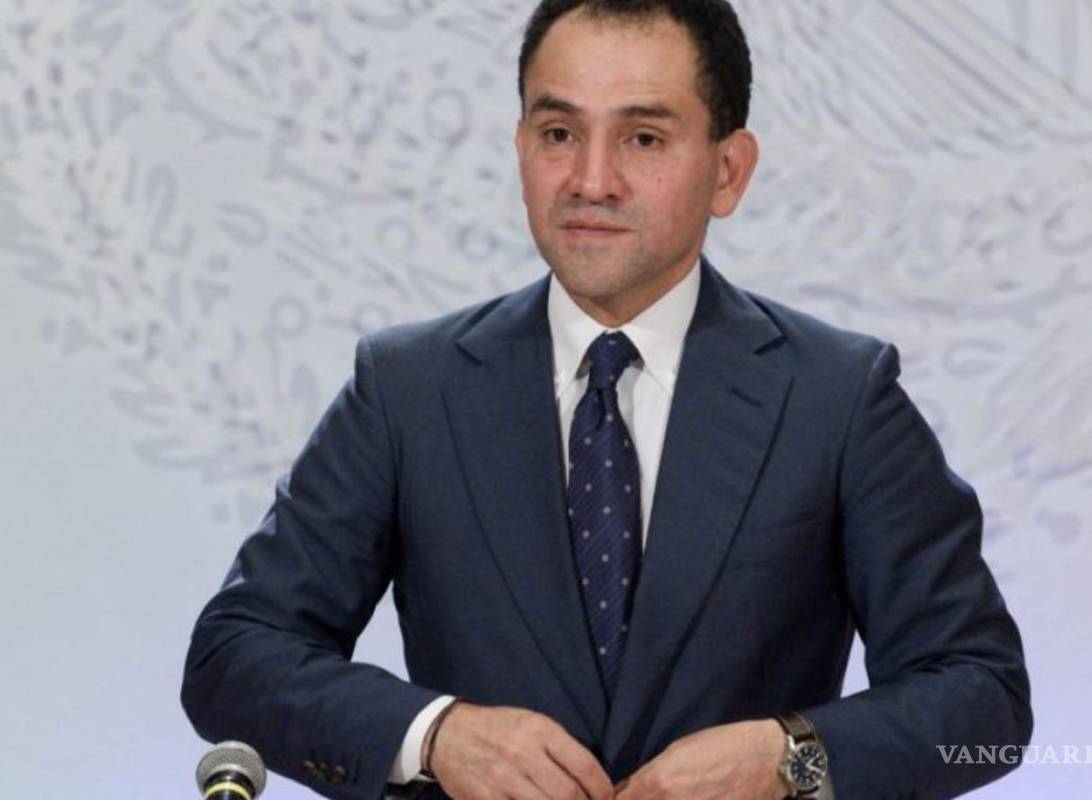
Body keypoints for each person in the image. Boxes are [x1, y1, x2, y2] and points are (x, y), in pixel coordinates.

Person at [182, 1, 1032, 798]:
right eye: (559, 133)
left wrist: (788, 758)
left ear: (728, 171)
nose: (591, 181)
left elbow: (983, 699)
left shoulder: (837, 396)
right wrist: (435, 734)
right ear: (521, 146)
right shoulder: (409, 387)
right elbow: (236, 657)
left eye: (644, 139)